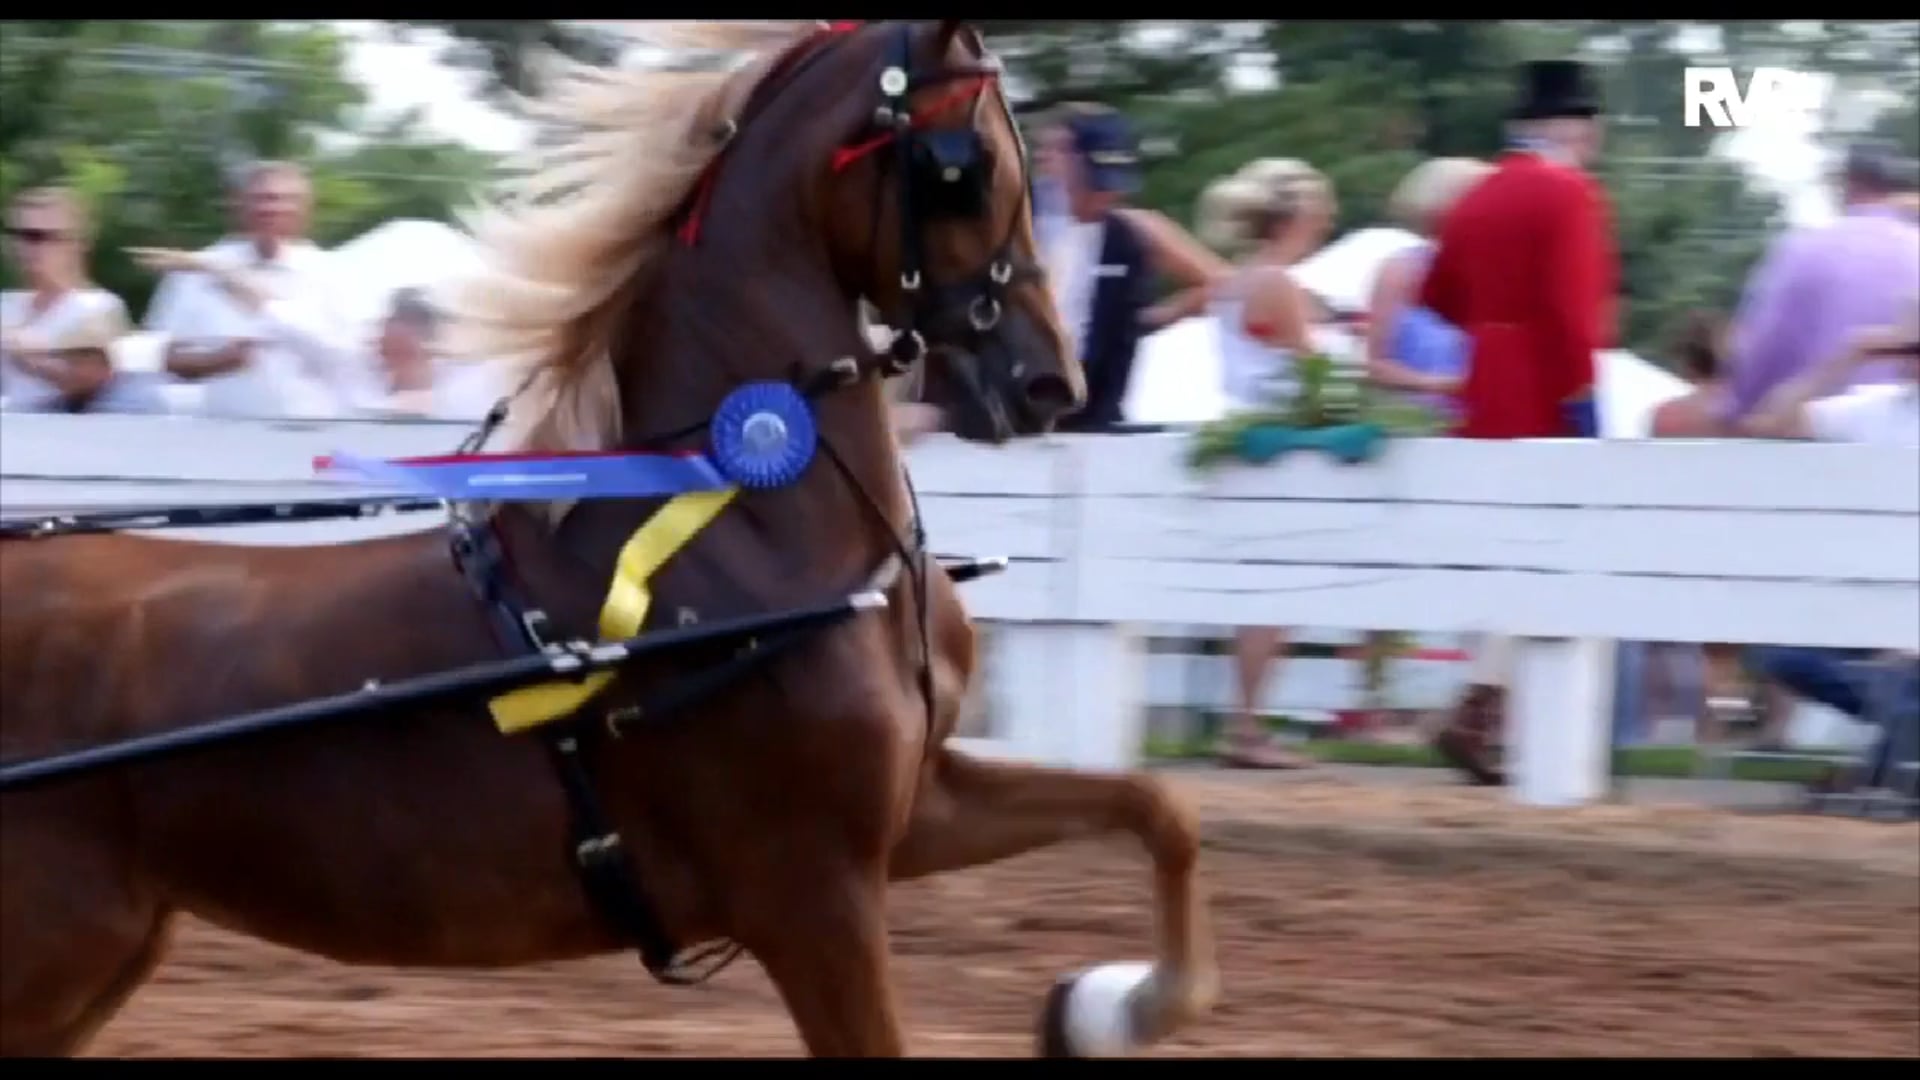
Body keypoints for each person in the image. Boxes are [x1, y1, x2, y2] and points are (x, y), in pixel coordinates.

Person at [1417, 59, 1622, 784]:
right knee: (1553, 551)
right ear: (1573, 124)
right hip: (1542, 384)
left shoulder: (1477, 195)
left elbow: (1434, 293)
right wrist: (1580, 396)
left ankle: (1484, 711)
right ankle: (1483, 712)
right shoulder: (1570, 192)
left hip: (1483, 384)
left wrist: (1491, 323)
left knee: (1508, 552)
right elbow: (1572, 312)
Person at [1194, 157, 1340, 768]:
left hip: (1249, 436)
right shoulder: (1277, 282)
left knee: (1262, 593)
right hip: (1279, 442)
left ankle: (1245, 723)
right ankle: (1247, 728)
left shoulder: (1236, 280)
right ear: (1297, 216)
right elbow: (1310, 367)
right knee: (1273, 596)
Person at [1738, 306, 1919, 793]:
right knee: (1782, 654)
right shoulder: (1876, 406)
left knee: (1903, 691)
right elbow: (1775, 423)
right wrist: (1848, 356)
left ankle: (1885, 767)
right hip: (1868, 608)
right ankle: (1893, 756)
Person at [136, 160, 370, 419]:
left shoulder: (334, 273)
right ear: (239, 204)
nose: (271, 208)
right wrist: (218, 360)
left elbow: (353, 360)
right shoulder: (196, 270)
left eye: (284, 199)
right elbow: (168, 359)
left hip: (310, 428)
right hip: (221, 430)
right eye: (261, 198)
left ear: (306, 208)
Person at [1717, 140, 1920, 430]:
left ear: (1846, 184)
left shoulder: (1804, 251)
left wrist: (1738, 411)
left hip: (1815, 438)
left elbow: (1764, 349)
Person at [1, 187, 165, 415]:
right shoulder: (7, 306)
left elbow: (87, 379)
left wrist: (26, 356)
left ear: (76, 244)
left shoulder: (100, 307)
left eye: (39, 237)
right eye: (19, 235)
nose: (27, 248)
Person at [1045, 107, 1157, 434]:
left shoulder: (1127, 236)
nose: (1106, 195)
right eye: (1096, 183)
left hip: (1094, 415)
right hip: (1019, 404)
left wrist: (1145, 319)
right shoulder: (1026, 226)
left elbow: (1218, 283)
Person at [1363, 157, 1494, 419]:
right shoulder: (1401, 270)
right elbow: (1375, 365)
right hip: (1417, 426)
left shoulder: (1497, 271)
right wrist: (1445, 384)